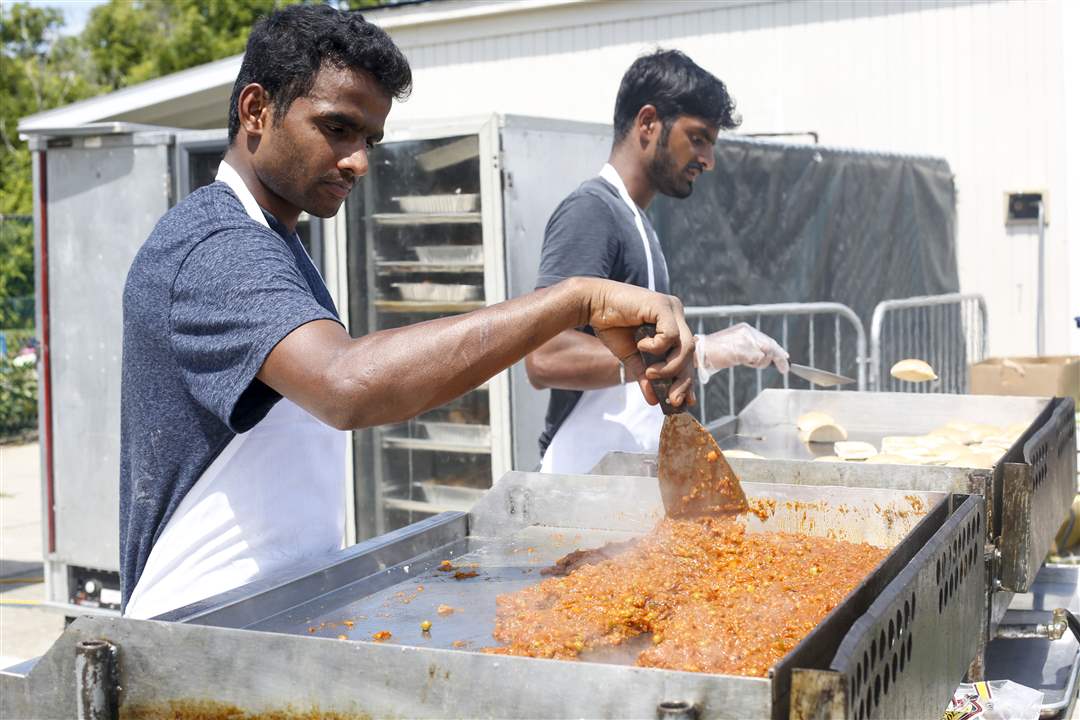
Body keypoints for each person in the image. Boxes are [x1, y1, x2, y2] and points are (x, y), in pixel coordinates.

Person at [119, 6, 696, 619]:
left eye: (368, 139)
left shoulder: (276, 241)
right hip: (193, 626)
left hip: (267, 609)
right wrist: (577, 299)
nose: (358, 162)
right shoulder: (216, 244)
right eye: (336, 129)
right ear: (256, 111)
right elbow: (347, 386)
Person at [526, 49, 789, 475]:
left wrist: (696, 351)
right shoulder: (592, 211)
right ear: (648, 123)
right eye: (698, 137)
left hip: (622, 484)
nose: (708, 160)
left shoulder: (636, 220)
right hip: (581, 486)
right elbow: (545, 357)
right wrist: (700, 352)